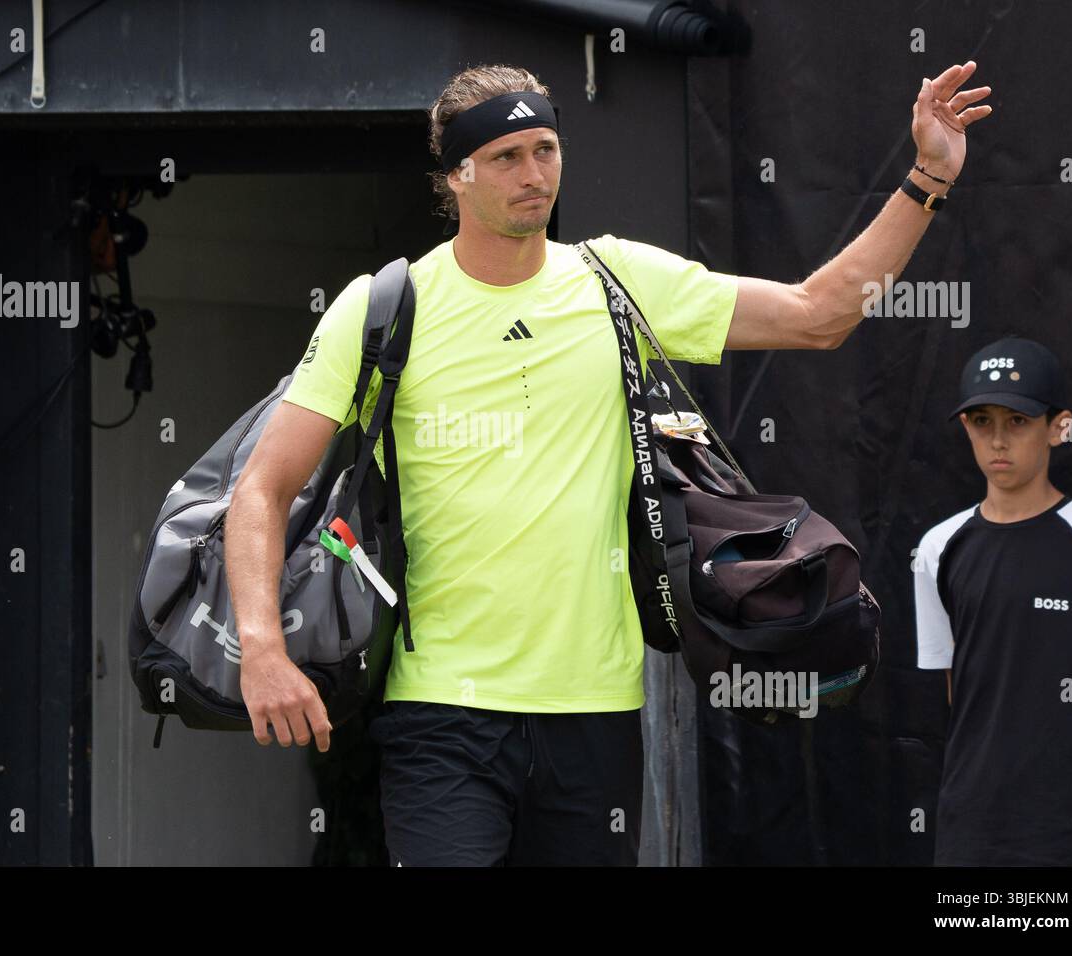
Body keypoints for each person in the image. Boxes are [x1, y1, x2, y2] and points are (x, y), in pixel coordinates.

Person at [226, 60, 992, 866]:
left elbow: (819, 315)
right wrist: (263, 649)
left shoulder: (615, 279)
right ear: (455, 175)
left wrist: (928, 176)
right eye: (507, 157)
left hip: (594, 713)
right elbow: (262, 489)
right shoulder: (386, 306)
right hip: (439, 713)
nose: (535, 175)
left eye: (546, 149)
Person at [914, 336, 1072, 865]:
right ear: (965, 427)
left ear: (1058, 426)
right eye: (982, 421)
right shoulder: (938, 548)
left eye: (1018, 421)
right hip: (971, 831)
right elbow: (957, 689)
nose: (998, 440)